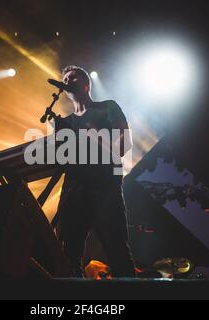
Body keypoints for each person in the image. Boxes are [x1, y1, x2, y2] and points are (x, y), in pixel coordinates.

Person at [54, 65, 135, 277]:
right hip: (74, 191)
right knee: (68, 252)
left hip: (105, 188)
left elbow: (125, 144)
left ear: (87, 85)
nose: (69, 80)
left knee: (116, 248)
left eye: (74, 77)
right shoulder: (64, 122)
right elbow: (60, 159)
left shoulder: (107, 107)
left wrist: (99, 138)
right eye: (66, 78)